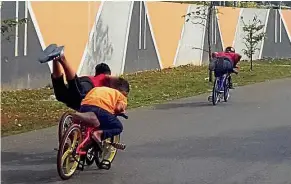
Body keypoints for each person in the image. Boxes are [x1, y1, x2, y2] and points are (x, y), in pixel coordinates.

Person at [38, 44, 113, 110]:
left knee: (61, 95)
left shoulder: (97, 77)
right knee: (78, 93)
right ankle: (62, 58)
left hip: (82, 84)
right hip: (88, 86)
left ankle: (55, 59)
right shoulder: (105, 78)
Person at [73, 77, 130, 146]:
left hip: (84, 106)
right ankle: (99, 134)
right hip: (101, 109)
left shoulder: (97, 88)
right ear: (124, 92)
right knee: (118, 127)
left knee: (87, 124)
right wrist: (122, 111)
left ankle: (74, 138)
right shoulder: (121, 96)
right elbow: (118, 108)